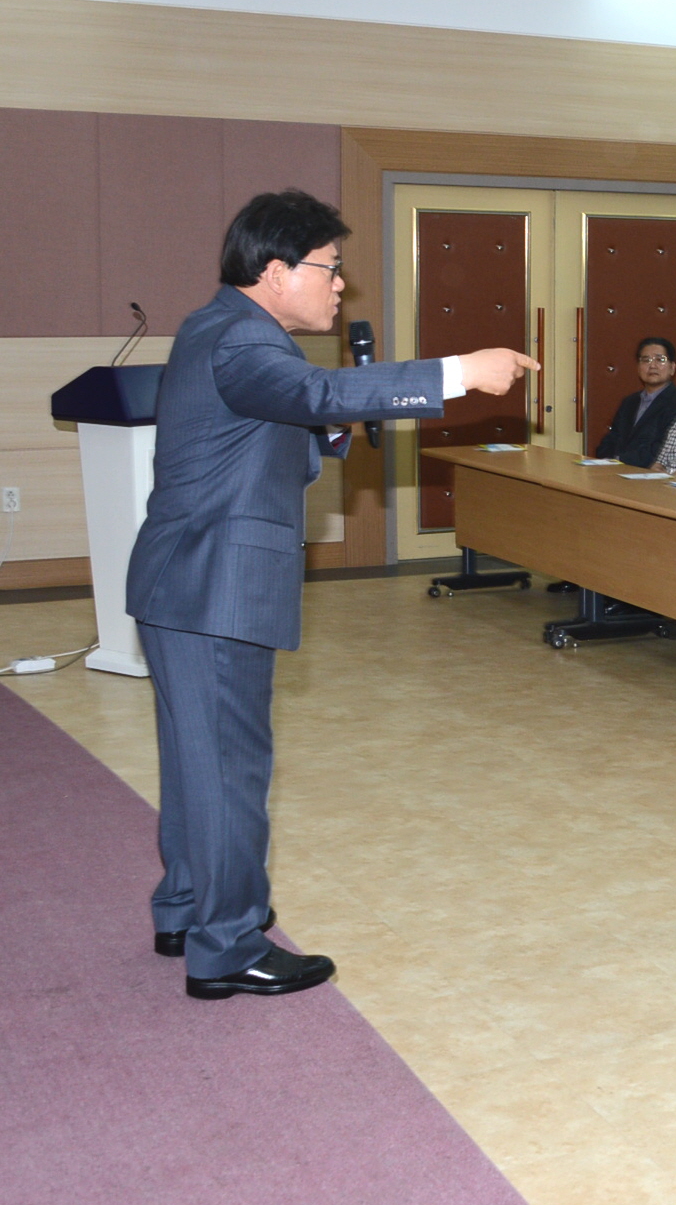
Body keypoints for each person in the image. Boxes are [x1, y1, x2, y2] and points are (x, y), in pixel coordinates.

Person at [129, 189, 537, 998]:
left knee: (196, 763)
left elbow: (279, 420)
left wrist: (334, 421)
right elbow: (313, 396)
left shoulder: (217, 326)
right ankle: (228, 944)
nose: (340, 284)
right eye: (330, 267)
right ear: (276, 271)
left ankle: (187, 907)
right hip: (214, 589)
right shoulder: (243, 337)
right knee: (231, 770)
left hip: (184, 583)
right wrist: (460, 372)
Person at [594, 336, 676, 467]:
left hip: (649, 475)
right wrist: (609, 459)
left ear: (672, 368)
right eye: (646, 360)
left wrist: (618, 460)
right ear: (638, 367)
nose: (652, 365)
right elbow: (609, 441)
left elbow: (662, 450)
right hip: (615, 472)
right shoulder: (629, 402)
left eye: (660, 360)